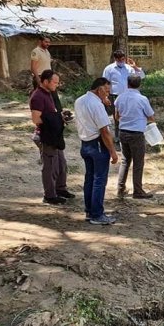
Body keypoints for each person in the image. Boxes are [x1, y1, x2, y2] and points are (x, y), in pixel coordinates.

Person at [74, 77, 119, 225]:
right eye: (106, 91)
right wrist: (113, 151)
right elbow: (104, 131)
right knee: (99, 180)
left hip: (85, 143)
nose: (108, 94)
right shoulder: (96, 105)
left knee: (89, 178)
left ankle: (89, 211)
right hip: (97, 144)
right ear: (99, 89)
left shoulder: (79, 100)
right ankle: (97, 214)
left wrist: (103, 102)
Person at [29, 69, 74, 205]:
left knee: (61, 163)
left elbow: (51, 113)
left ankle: (60, 189)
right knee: (50, 166)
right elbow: (36, 119)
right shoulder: (37, 96)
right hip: (46, 135)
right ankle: (49, 195)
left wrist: (61, 117)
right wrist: (54, 121)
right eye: (55, 82)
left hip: (55, 135)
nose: (57, 85)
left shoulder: (49, 94)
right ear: (45, 82)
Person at [114, 75, 155, 199]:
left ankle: (120, 188)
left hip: (122, 132)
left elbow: (116, 116)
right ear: (139, 84)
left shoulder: (120, 97)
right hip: (136, 134)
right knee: (138, 162)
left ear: (127, 84)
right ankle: (138, 191)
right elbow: (151, 117)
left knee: (125, 161)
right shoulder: (142, 99)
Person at [102, 50, 145, 149]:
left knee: (129, 115)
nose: (121, 61)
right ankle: (117, 139)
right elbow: (104, 83)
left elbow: (141, 76)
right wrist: (105, 97)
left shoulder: (129, 68)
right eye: (119, 59)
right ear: (115, 59)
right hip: (115, 96)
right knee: (117, 117)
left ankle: (130, 138)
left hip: (129, 96)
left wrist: (135, 67)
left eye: (123, 59)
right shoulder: (109, 69)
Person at [30, 36, 62, 112]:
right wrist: (37, 78)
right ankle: (38, 113)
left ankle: (60, 112)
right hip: (40, 76)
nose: (48, 44)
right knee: (40, 96)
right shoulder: (36, 51)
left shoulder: (47, 52)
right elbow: (33, 67)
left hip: (49, 77)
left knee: (54, 95)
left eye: (49, 42)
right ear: (40, 41)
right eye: (46, 42)